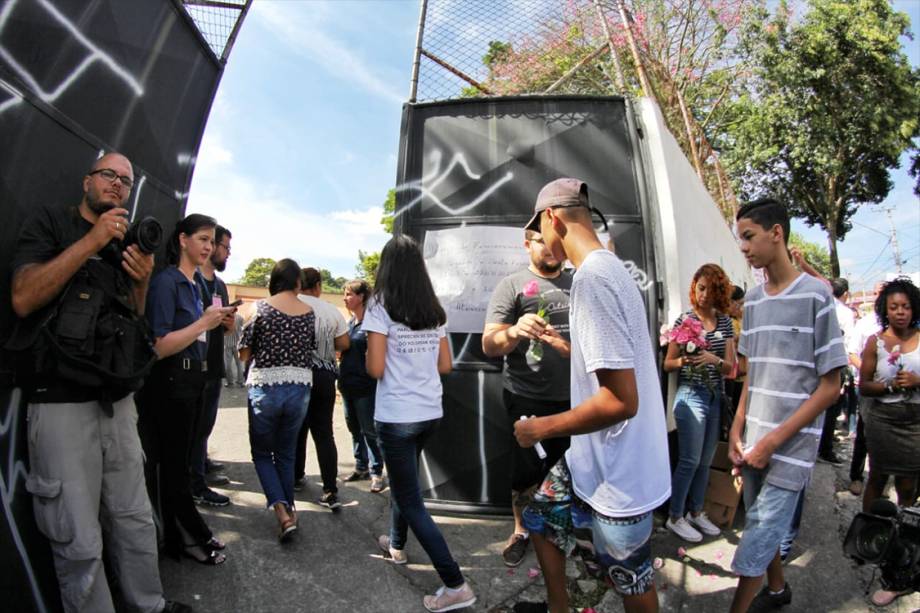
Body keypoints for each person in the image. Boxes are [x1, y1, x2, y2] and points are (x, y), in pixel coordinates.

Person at [10, 152, 191, 612]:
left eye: (126, 182)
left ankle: (149, 605)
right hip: (60, 402)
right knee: (77, 536)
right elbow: (24, 298)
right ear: (87, 179)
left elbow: (134, 322)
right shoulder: (53, 223)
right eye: (109, 175)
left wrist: (141, 282)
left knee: (133, 519)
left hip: (117, 399)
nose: (117, 185)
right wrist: (92, 240)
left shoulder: (124, 244)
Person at [513, 178, 670, 613]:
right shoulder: (610, 269)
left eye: (539, 229)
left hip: (622, 477)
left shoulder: (592, 280)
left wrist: (539, 428)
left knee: (632, 582)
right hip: (592, 459)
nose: (541, 241)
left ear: (552, 218)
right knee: (541, 520)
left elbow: (622, 401)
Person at [727, 197, 847, 613]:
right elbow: (751, 374)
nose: (743, 247)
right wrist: (737, 430)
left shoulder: (817, 296)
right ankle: (777, 589)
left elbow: (831, 386)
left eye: (748, 236)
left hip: (790, 446)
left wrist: (773, 441)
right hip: (755, 439)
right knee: (763, 520)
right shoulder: (755, 302)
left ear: (776, 233)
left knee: (759, 531)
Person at [365, 235, 476, 613]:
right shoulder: (433, 308)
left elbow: (375, 368)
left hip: (397, 416)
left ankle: (455, 583)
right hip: (430, 413)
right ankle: (396, 546)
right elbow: (445, 366)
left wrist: (374, 355)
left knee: (412, 500)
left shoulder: (379, 306)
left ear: (386, 267)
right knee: (405, 481)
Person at [138, 213, 233, 566]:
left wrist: (213, 323)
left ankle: (186, 534)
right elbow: (159, 345)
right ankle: (186, 537)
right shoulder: (167, 282)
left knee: (182, 464)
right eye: (203, 239)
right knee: (173, 468)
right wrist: (203, 323)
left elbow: (200, 333)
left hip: (193, 382)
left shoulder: (194, 285)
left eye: (212, 241)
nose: (209, 247)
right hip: (171, 383)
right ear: (183, 240)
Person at [482, 228, 572, 568]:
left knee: (567, 470)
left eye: (554, 241)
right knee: (525, 473)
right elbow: (488, 344)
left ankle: (558, 533)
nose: (549, 247)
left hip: (574, 398)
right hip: (526, 398)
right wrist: (514, 331)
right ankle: (520, 531)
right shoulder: (512, 285)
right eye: (540, 241)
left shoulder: (580, 284)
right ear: (527, 245)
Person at [238, 259, 316, 542]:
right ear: (297, 282)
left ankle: (281, 512)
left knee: (261, 453)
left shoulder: (258, 308)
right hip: (299, 387)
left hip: (265, 386)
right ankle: (291, 511)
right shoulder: (309, 312)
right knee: (286, 452)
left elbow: (244, 354)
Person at [662, 263, 736, 542]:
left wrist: (713, 359)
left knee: (705, 462)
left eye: (711, 289)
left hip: (715, 395)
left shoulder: (725, 322)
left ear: (719, 291)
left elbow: (730, 367)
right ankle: (675, 516)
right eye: (700, 287)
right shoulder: (685, 320)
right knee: (689, 460)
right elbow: (668, 363)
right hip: (691, 395)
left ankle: (696, 511)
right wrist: (685, 360)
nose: (704, 294)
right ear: (694, 287)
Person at [858, 277, 920, 607]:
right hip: (883, 422)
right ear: (885, 309)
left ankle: (904, 543)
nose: (900, 313)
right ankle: (867, 537)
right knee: (877, 479)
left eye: (906, 306)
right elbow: (864, 385)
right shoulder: (875, 342)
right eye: (894, 306)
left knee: (908, 486)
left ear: (914, 309)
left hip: (915, 425)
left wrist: (916, 380)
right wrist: (891, 388)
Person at [293, 267, 349, 509]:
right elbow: (344, 342)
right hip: (325, 376)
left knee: (297, 429)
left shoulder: (290, 304)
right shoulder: (330, 310)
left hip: (297, 374)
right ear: (318, 286)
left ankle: (295, 476)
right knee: (324, 432)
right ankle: (330, 489)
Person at [190, 224, 233, 507]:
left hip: (214, 366)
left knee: (204, 425)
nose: (228, 253)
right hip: (192, 367)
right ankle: (194, 482)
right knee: (191, 427)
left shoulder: (219, 286)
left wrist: (228, 324)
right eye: (226, 247)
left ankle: (199, 468)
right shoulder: (189, 280)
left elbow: (226, 329)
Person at [339, 279, 386, 493]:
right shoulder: (349, 324)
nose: (345, 298)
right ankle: (361, 467)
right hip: (347, 384)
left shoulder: (373, 324)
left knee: (369, 431)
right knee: (354, 429)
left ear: (362, 297)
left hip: (366, 387)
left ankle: (376, 471)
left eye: (349, 294)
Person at [816, 277, 856, 465]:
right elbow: (848, 346)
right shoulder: (845, 313)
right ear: (845, 293)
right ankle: (824, 449)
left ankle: (821, 444)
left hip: (818, 364)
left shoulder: (818, 303)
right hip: (835, 365)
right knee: (830, 408)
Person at [224, 310, 245, 386]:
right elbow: (244, 329)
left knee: (228, 365)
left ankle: (230, 382)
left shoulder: (225, 318)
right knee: (239, 364)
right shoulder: (240, 318)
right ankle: (241, 381)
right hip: (237, 344)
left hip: (227, 345)